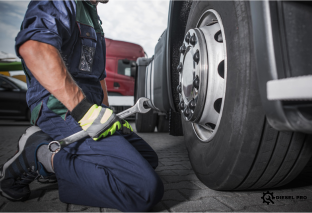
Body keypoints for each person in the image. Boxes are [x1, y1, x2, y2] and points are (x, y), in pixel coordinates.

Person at [0, 0, 164, 211]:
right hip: (60, 109)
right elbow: (35, 47)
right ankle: (42, 155)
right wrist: (83, 112)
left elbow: (98, 77)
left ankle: (61, 154)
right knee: (144, 189)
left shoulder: (91, 13)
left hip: (89, 109)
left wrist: (107, 113)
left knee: (148, 159)